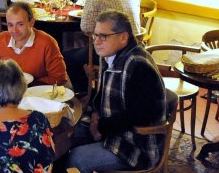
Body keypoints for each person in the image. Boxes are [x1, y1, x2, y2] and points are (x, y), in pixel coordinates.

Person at [67, 10, 166, 172]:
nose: (96, 42)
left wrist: (100, 127)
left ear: (123, 37)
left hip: (135, 146)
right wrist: (95, 115)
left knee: (76, 159)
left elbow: (139, 117)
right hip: (113, 129)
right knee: (68, 136)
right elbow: (103, 94)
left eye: (103, 36)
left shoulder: (139, 66)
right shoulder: (110, 55)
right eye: (95, 35)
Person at [64, 0, 141, 94]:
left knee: (68, 57)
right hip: (136, 46)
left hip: (111, 49)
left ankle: (84, 93)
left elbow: (86, 27)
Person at [0, 2, 68, 85]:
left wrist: (31, 84)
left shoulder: (47, 43)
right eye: (10, 25)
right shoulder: (1, 39)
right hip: (7, 91)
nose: (15, 30)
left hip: (37, 93)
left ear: (32, 23)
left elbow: (59, 78)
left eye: (20, 24)